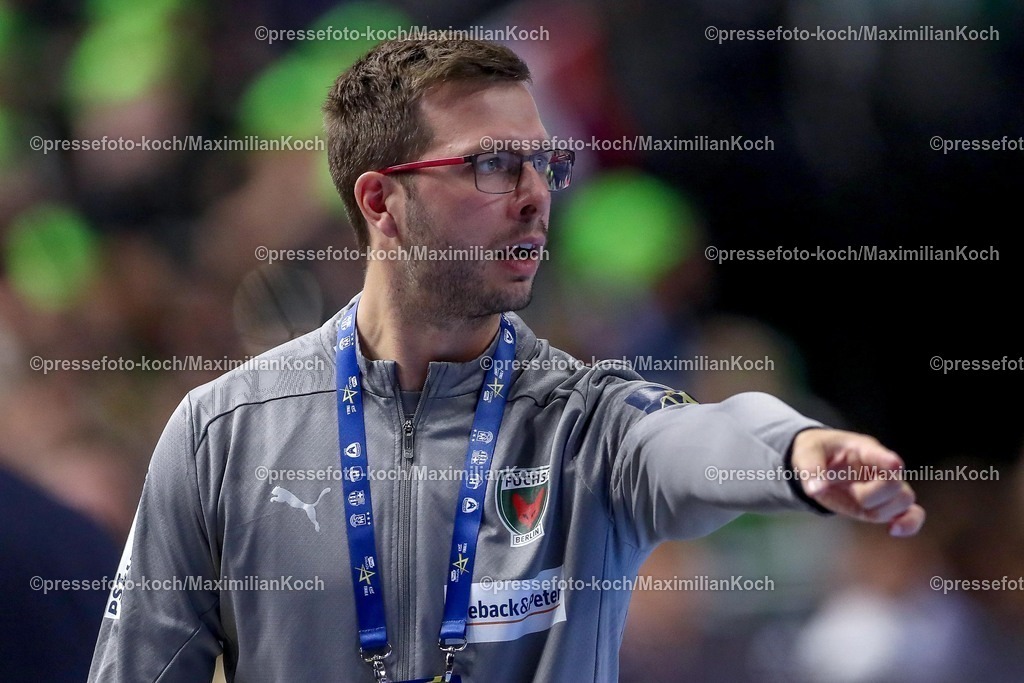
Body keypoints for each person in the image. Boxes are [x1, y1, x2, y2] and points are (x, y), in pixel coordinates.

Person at [88, 38, 925, 683]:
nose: (535, 192)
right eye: (491, 163)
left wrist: (796, 452)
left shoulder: (585, 421)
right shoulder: (223, 431)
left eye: (545, 161)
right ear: (381, 201)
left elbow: (704, 438)